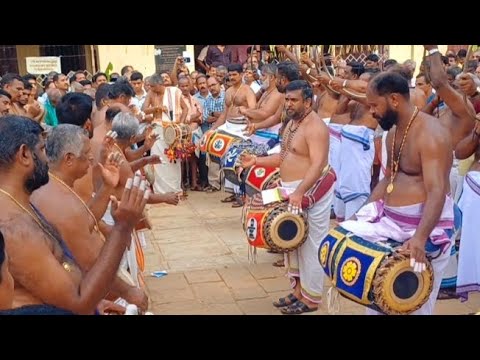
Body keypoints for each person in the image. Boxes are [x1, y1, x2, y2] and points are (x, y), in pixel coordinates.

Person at [0, 115, 150, 314]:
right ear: (24, 154)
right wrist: (123, 227)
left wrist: (97, 304)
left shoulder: (20, 202)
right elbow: (78, 303)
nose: (48, 158)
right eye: (42, 149)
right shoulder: (14, 227)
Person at [338, 72, 454, 315]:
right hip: (389, 224)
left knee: (410, 304)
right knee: (377, 296)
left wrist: (420, 238)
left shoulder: (431, 134)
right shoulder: (392, 133)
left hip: (422, 232)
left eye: (374, 105)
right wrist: (361, 216)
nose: (371, 112)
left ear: (393, 99)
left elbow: (437, 190)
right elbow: (388, 179)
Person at [241, 80, 336, 314]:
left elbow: (318, 164)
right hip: (292, 189)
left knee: (311, 244)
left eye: (294, 100)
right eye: (287, 99)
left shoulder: (315, 127)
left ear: (308, 101)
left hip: (312, 189)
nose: (289, 104)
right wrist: (257, 161)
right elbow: (284, 157)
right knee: (292, 243)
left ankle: (312, 298)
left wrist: (300, 192)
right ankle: (298, 291)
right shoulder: (292, 123)